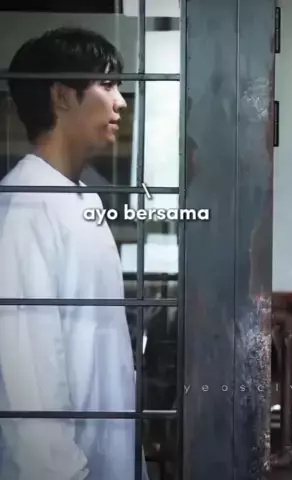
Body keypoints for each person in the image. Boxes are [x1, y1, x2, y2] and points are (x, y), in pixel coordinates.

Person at [0, 27, 148, 480]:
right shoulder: (24, 205)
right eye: (107, 85)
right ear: (62, 96)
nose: (120, 102)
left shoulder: (83, 198)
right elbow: (26, 374)